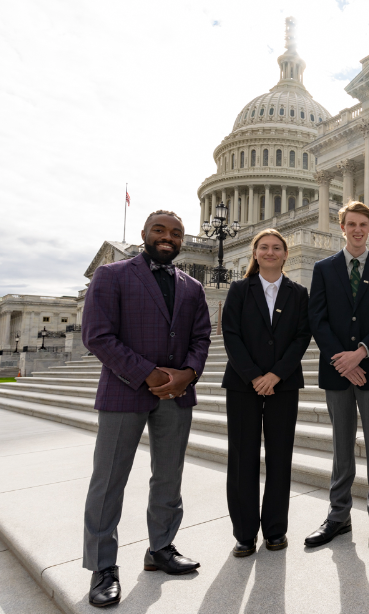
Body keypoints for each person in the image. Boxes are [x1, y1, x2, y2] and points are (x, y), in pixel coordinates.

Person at [81, 210, 211, 608]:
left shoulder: (192, 285)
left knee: (168, 476)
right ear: (144, 234)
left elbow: (202, 336)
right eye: (160, 230)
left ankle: (162, 547)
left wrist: (188, 373)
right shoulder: (113, 275)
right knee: (109, 482)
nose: (167, 237)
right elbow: (97, 335)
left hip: (176, 394)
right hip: (125, 392)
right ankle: (103, 566)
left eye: (175, 232)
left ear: (183, 240)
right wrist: (148, 374)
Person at [305, 202, 369, 549]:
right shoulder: (323, 269)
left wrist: (360, 354)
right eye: (351, 224)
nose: (357, 230)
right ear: (342, 227)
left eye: (363, 224)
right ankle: (338, 515)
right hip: (336, 371)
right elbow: (318, 319)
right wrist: (341, 360)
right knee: (341, 445)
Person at [221, 229, 311, 557]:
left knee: (279, 459)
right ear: (255, 253)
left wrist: (275, 375)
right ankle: (244, 534)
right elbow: (230, 334)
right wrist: (254, 375)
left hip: (283, 385)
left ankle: (275, 531)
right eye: (264, 247)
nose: (270, 252)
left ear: (286, 254)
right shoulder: (239, 290)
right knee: (242, 459)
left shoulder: (299, 293)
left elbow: (302, 337)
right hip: (243, 385)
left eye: (276, 248)